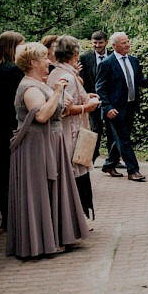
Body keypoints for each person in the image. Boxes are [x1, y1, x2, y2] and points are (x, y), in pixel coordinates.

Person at [7, 42, 88, 259]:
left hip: (50, 143)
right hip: (36, 147)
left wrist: (59, 98)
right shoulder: (29, 87)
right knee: (40, 189)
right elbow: (41, 116)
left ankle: (56, 236)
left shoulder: (38, 83)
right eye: (44, 59)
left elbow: (55, 113)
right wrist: (58, 92)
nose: (48, 62)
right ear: (33, 62)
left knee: (52, 188)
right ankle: (41, 242)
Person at [49, 36, 101, 221]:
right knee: (76, 176)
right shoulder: (67, 77)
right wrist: (88, 106)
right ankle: (76, 220)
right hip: (70, 134)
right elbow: (64, 109)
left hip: (66, 133)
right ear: (75, 54)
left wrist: (87, 97)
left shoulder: (56, 72)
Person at [96, 31, 148, 182]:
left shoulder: (134, 60)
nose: (127, 45)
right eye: (123, 43)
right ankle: (133, 170)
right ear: (114, 45)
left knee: (122, 138)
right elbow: (100, 88)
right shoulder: (107, 63)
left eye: (128, 41)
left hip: (131, 106)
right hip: (114, 109)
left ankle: (109, 164)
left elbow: (138, 81)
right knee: (124, 139)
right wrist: (107, 107)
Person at [0, 31, 25, 228]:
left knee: (2, 170)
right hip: (12, 125)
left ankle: (6, 215)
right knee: (13, 171)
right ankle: (13, 216)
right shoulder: (13, 71)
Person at [79, 31, 111, 162]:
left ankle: (112, 158)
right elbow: (82, 78)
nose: (97, 45)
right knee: (95, 128)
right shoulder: (85, 58)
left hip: (109, 99)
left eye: (100, 43)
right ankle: (92, 156)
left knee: (111, 130)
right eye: (95, 43)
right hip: (92, 98)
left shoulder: (114, 57)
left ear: (106, 42)